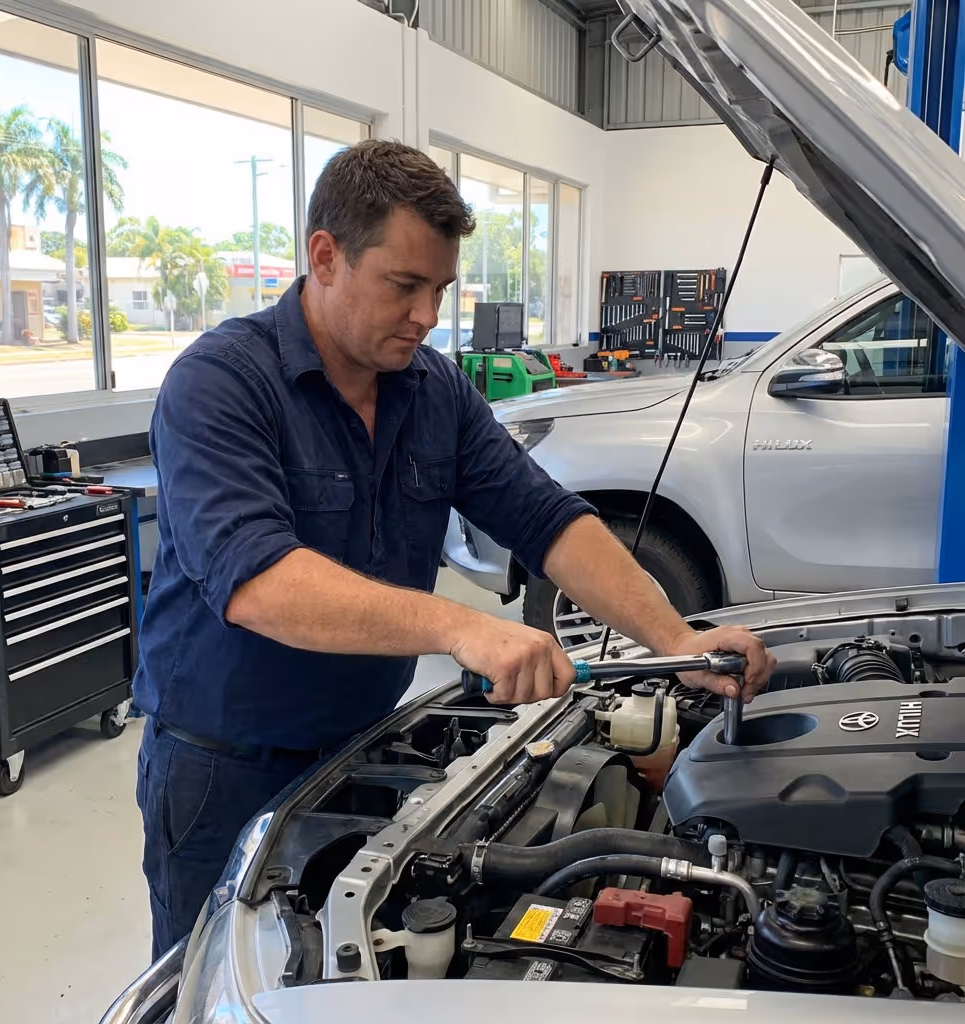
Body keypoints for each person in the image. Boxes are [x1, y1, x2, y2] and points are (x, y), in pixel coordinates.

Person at [133, 139, 775, 959]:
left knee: (348, 978)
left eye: (439, 288)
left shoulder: (432, 390)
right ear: (324, 257)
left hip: (367, 750)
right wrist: (461, 627)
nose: (428, 316)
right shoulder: (220, 383)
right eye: (404, 286)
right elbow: (256, 581)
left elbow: (548, 518)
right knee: (208, 977)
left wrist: (677, 641)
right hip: (223, 769)